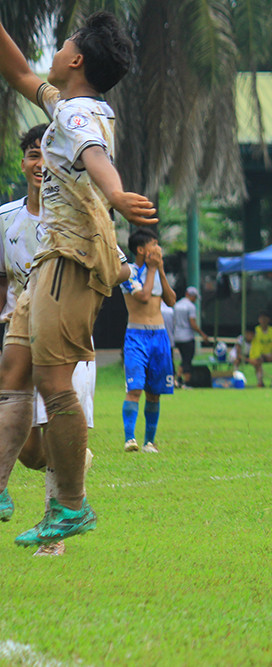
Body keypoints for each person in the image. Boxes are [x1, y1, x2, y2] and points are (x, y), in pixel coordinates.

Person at [0, 12, 157, 549]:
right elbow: (19, 72)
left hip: (71, 257)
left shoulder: (79, 114)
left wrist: (116, 195)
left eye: (63, 43)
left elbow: (95, 157)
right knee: (13, 368)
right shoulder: (64, 105)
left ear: (76, 60)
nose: (54, 50)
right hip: (50, 260)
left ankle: (70, 505)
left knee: (53, 383)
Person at [0, 125, 112, 556]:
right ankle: (72, 461)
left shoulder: (80, 214)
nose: (40, 164)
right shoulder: (7, 220)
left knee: (54, 416)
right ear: (24, 161)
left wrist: (76, 293)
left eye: (47, 155)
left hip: (66, 335)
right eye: (32, 154)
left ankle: (56, 534)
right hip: (21, 336)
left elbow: (116, 266)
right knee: (30, 449)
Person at [120, 229, 176, 453]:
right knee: (135, 388)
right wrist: (152, 268)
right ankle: (130, 438)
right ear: (142, 250)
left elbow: (171, 300)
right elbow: (142, 297)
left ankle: (149, 442)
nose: (158, 249)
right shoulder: (128, 272)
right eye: (155, 245)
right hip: (137, 335)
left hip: (159, 335)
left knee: (155, 391)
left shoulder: (158, 271)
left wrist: (160, 269)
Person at [173, 286, 210, 387]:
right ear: (191, 296)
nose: (195, 300)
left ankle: (178, 378)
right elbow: (192, 324)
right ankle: (186, 382)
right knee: (187, 360)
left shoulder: (177, 305)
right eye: (195, 298)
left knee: (184, 359)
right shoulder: (191, 307)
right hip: (187, 337)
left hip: (177, 336)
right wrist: (203, 334)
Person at [248, 312, 272, 388]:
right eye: (262, 319)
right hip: (258, 354)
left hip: (269, 353)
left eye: (265, 318)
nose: (263, 320)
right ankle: (260, 382)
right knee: (258, 361)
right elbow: (248, 338)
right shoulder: (255, 330)